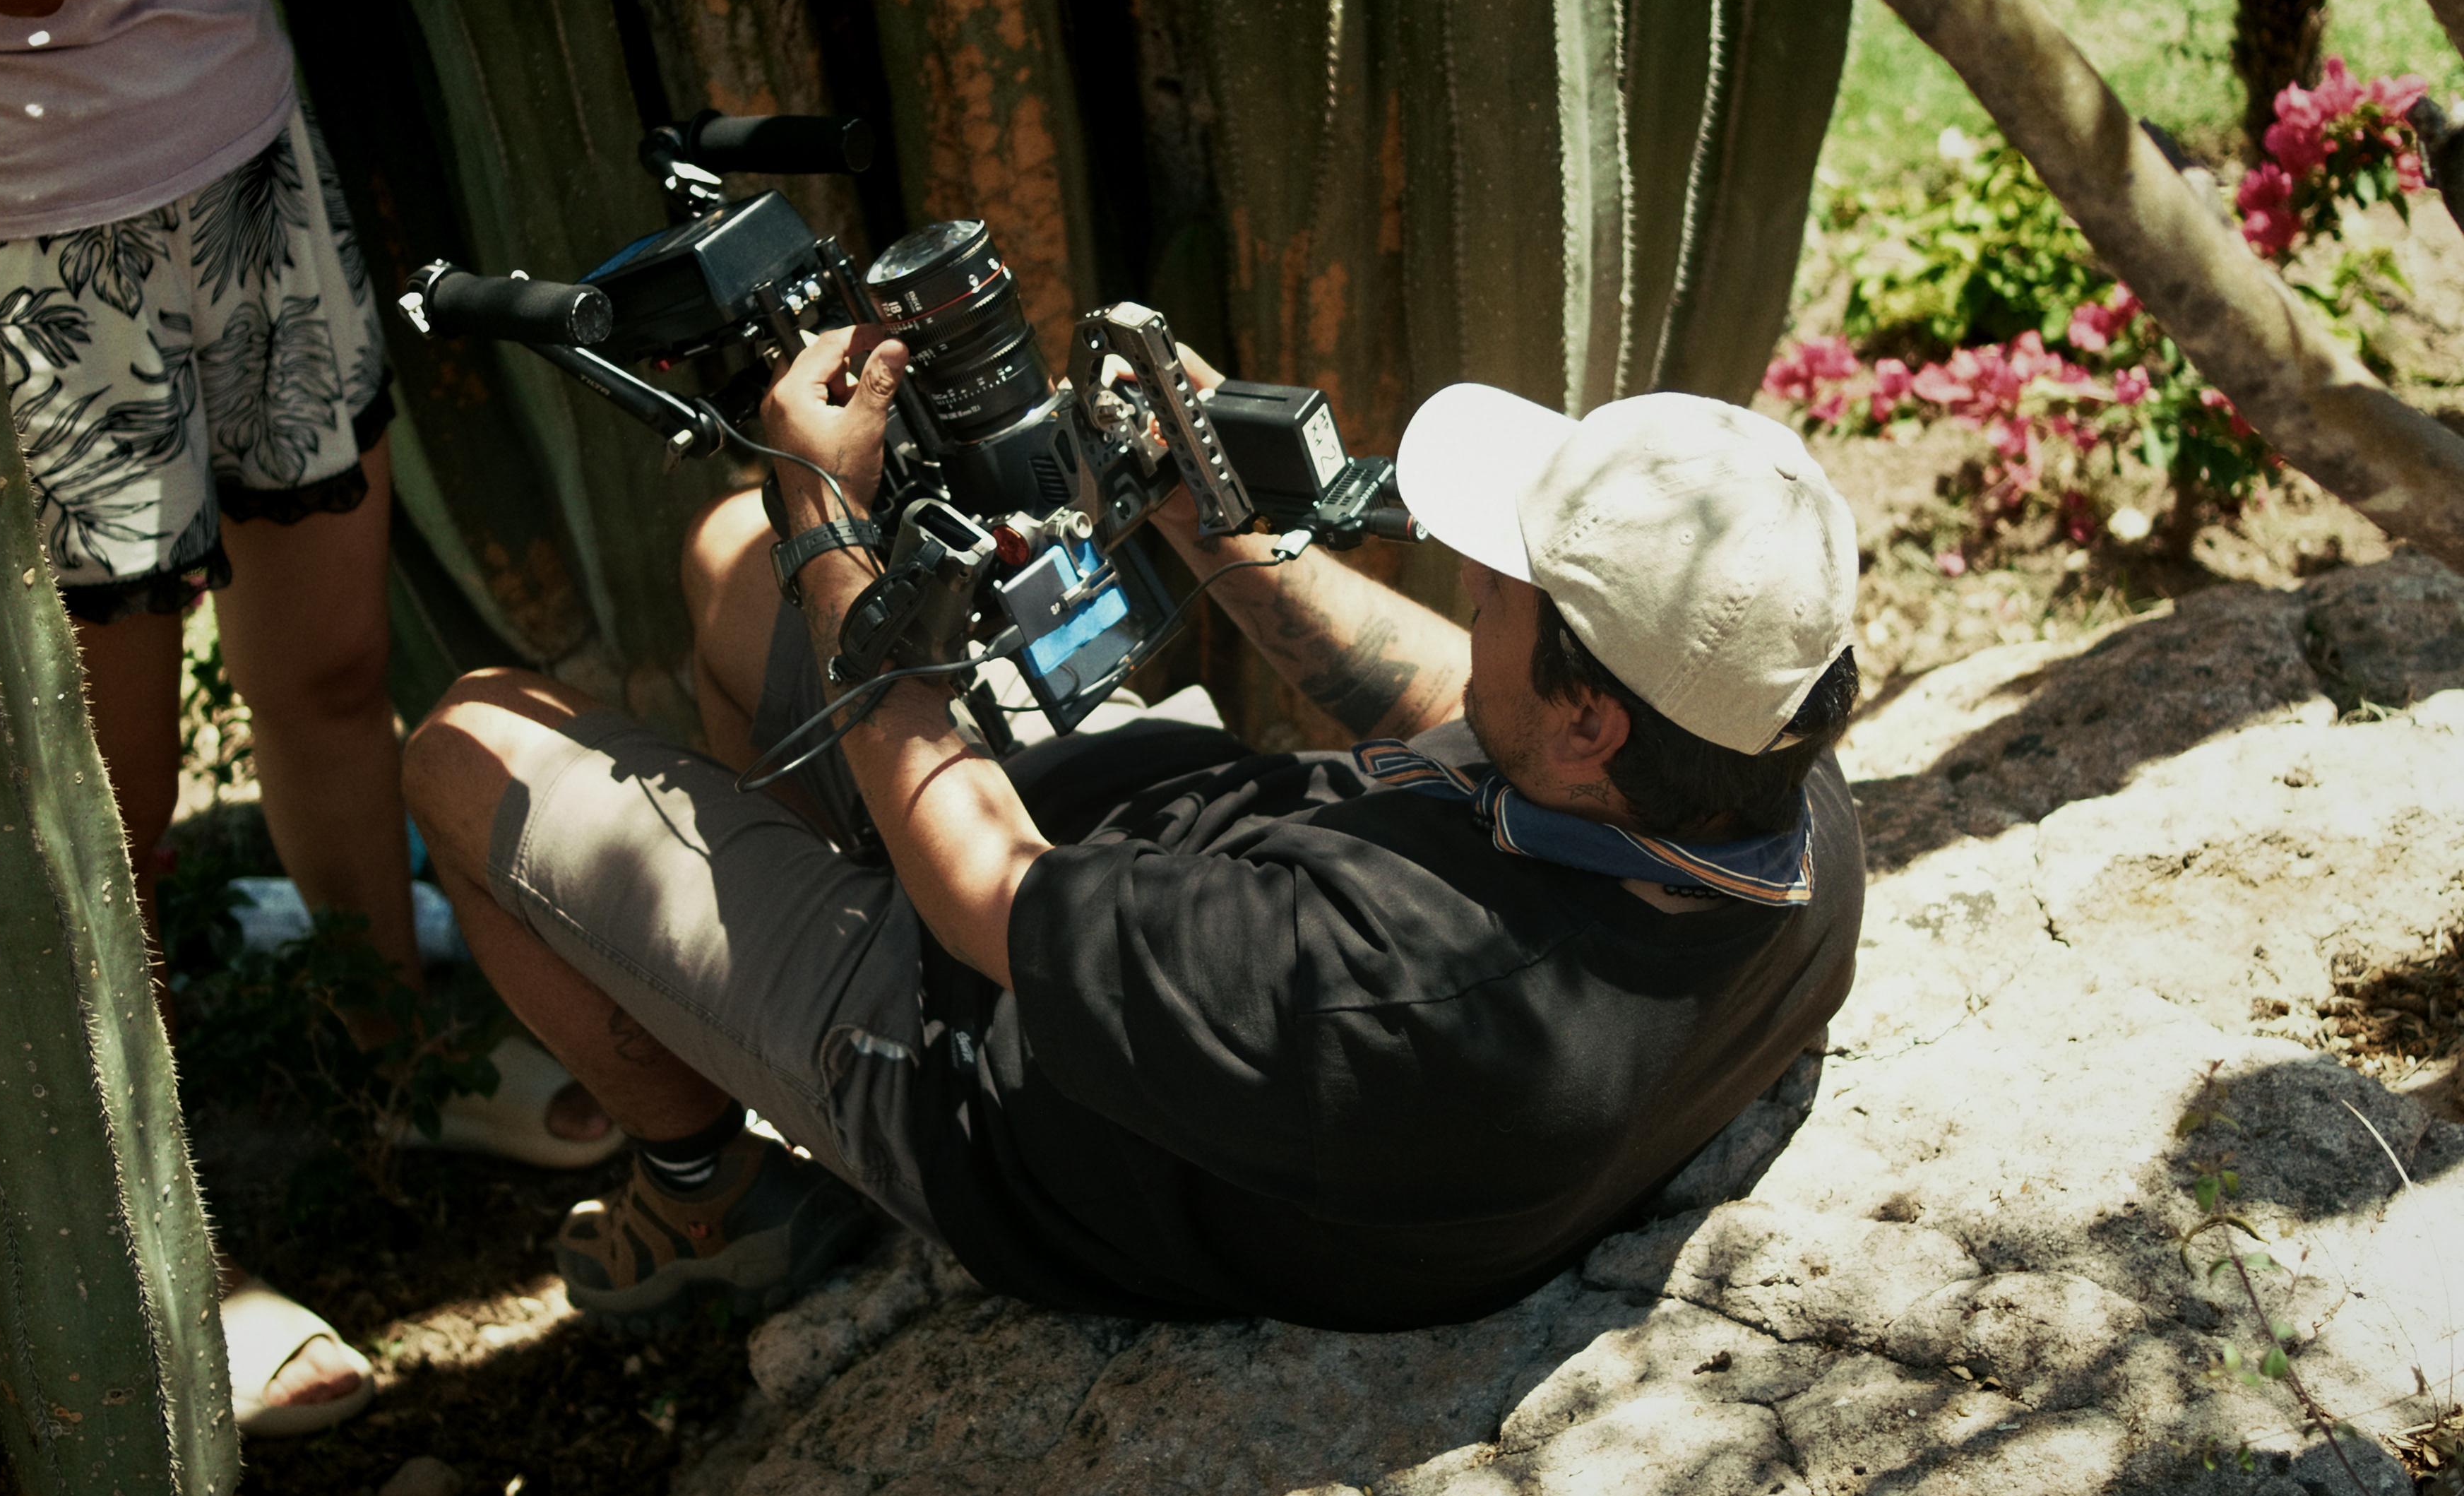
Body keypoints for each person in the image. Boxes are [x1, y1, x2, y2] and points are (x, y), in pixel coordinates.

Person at [403, 333, 1866, 1331]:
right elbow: (1443, 694)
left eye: (1501, 588)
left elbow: (983, 891)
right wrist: (1206, 515)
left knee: (466, 746)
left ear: (1592, 720)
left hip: (973, 1055)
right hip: (1149, 882)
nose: (1468, 582)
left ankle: (715, 1193)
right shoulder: (1765, 782)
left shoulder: (1399, 991)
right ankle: (753, 970)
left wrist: (825, 514)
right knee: (736, 557)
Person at [0, 0, 614, 1430]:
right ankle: (164, 1234)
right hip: (32, 240)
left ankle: (396, 1064)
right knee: (108, 802)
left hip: (238, 146)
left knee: (330, 672)